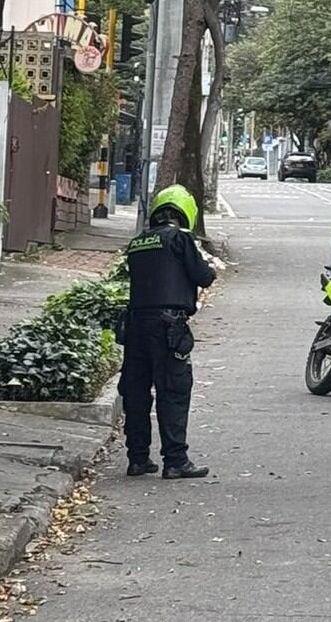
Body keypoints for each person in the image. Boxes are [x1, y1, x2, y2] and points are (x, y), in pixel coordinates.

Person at [121, 185, 217, 480]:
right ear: (185, 212)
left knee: (136, 392)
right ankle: (175, 460)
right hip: (168, 326)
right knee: (173, 390)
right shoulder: (180, 238)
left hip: (135, 324)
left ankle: (137, 459)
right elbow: (203, 276)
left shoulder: (137, 243)